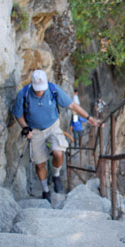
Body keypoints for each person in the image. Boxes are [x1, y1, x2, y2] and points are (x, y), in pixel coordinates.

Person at [13, 70, 99, 199]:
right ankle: (45, 190)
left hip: (53, 127)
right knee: (40, 163)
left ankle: (56, 175)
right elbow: (18, 115)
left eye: (42, 89)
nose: (40, 92)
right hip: (35, 131)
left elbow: (72, 105)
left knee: (58, 153)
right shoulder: (23, 94)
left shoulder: (53, 89)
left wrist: (89, 117)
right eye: (37, 89)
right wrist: (25, 127)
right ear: (31, 83)